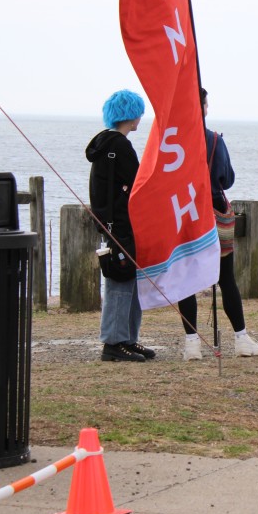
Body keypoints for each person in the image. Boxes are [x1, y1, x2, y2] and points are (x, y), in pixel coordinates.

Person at [180, 89, 258, 360]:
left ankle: (191, 343)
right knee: (226, 278)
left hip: (185, 213)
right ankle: (241, 338)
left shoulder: (174, 140)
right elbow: (227, 179)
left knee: (187, 280)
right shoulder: (214, 140)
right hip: (214, 212)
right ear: (202, 107)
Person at [86, 89, 153, 362]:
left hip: (114, 222)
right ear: (131, 114)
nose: (140, 119)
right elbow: (138, 183)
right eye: (138, 114)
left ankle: (127, 338)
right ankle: (113, 342)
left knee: (130, 280)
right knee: (121, 279)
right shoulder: (119, 146)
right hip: (122, 223)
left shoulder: (105, 143)